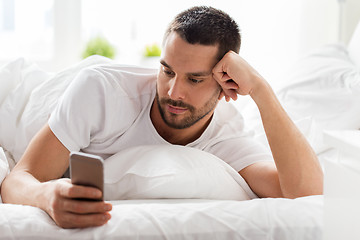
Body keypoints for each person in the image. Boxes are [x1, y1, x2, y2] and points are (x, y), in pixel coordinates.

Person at [0, 6, 323, 229]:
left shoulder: (226, 133)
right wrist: (45, 196)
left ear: (227, 82)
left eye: (195, 80)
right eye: (167, 70)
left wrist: (262, 91)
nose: (173, 91)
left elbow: (305, 193)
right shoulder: (101, 90)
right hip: (40, 108)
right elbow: (18, 179)